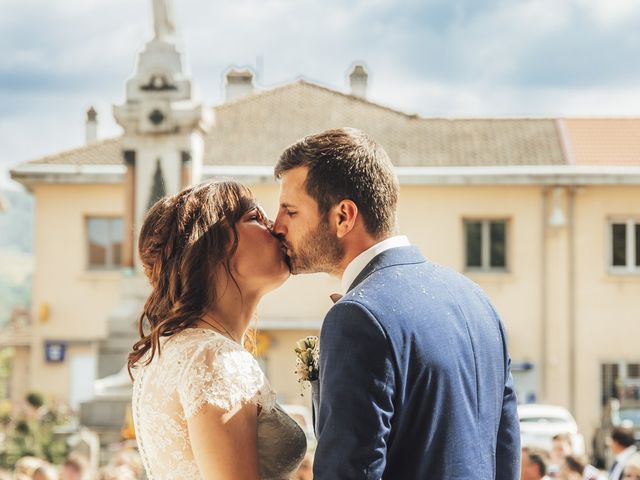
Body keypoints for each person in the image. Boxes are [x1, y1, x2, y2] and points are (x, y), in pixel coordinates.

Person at [273, 127, 521, 479]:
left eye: (290, 211)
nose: (277, 225)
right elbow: (506, 451)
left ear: (343, 216)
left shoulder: (359, 317)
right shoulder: (477, 301)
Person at [128, 181, 306, 479]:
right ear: (210, 248)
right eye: (254, 218)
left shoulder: (171, 353)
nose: (275, 226)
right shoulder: (215, 358)